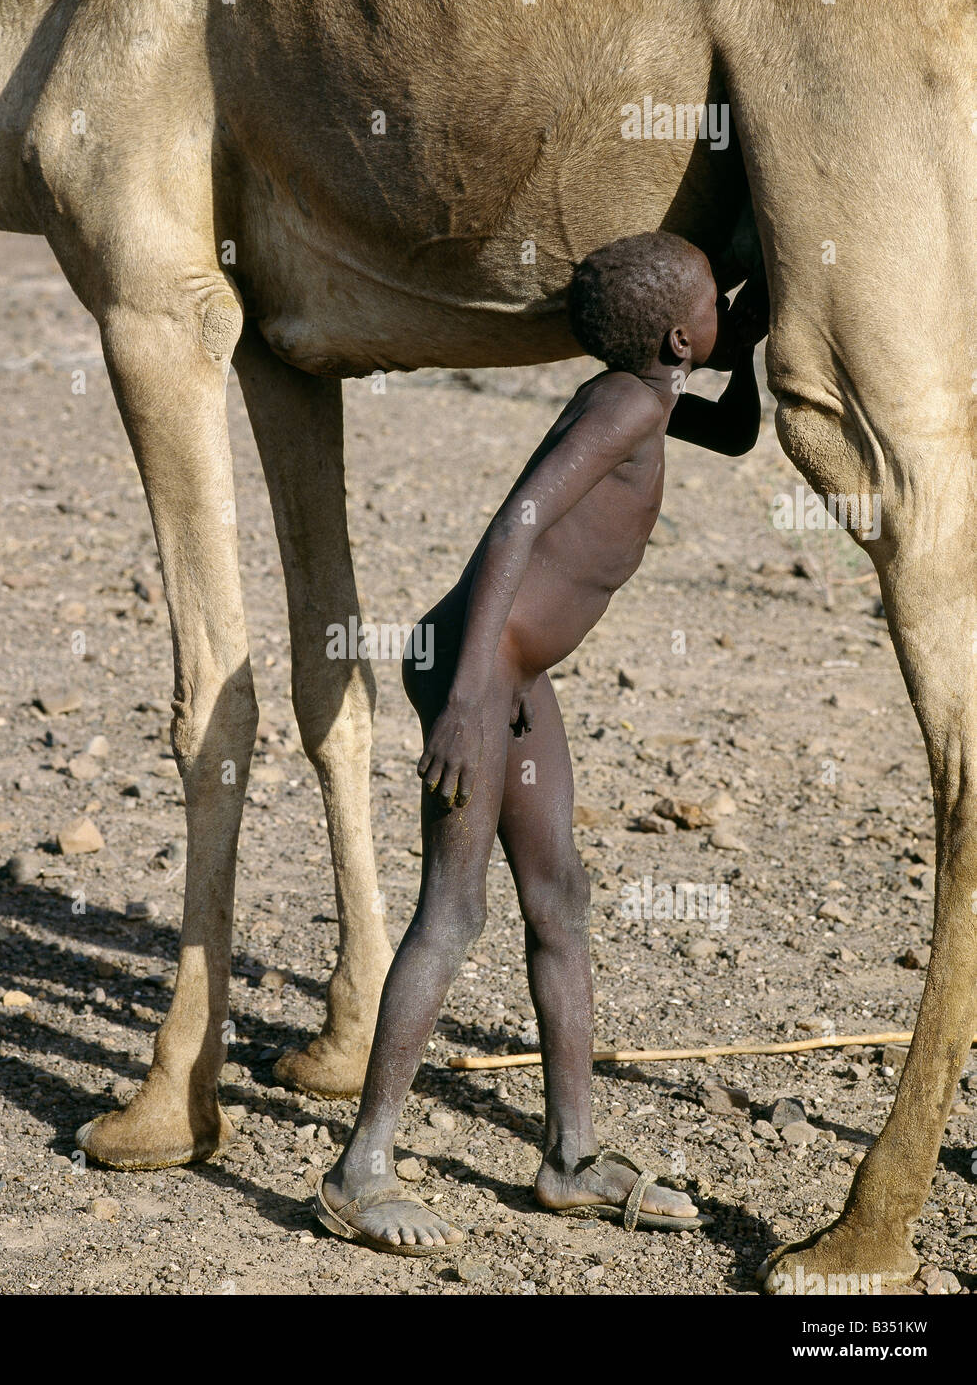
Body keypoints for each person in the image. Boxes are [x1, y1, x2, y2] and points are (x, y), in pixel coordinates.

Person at [316, 231, 767, 1253]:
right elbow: (514, 524)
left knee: (559, 893)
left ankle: (568, 1158)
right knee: (455, 909)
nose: (724, 314)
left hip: (517, 675)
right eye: (716, 304)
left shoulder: (648, 397)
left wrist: (764, 314)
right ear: (677, 336)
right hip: (473, 669)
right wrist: (469, 700)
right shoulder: (622, 406)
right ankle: (358, 1168)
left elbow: (737, 428)